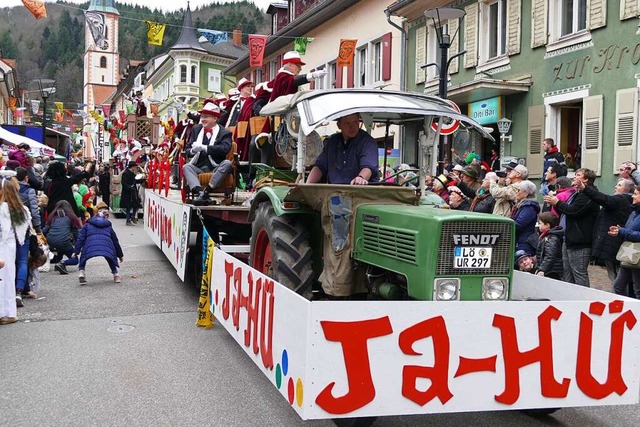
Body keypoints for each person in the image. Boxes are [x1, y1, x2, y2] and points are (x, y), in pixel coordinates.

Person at [543, 168, 600, 287]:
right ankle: (569, 298)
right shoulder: (577, 193)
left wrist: (557, 202)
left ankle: (583, 300)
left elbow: (574, 211)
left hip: (580, 240)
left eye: (578, 175)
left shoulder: (588, 194)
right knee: (567, 272)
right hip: (569, 237)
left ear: (586, 179)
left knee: (579, 273)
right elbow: (566, 211)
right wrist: (555, 203)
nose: (574, 177)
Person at [577, 177, 634, 283]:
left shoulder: (621, 199)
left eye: (619, 185)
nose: (616, 187)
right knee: (616, 276)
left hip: (612, 242)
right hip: (613, 242)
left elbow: (603, 199)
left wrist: (585, 188)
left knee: (617, 279)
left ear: (627, 189)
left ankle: (619, 298)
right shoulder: (626, 200)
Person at [306, 113, 379, 185]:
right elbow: (320, 166)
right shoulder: (332, 142)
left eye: (355, 122)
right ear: (339, 125)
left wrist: (361, 178)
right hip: (334, 192)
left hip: (361, 192)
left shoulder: (368, 142)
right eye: (347, 123)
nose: (352, 126)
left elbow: (368, 167)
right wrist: (307, 185)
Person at [183, 101, 234, 203]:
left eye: (206, 117)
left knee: (227, 164)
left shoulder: (224, 132)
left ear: (215, 119)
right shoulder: (196, 129)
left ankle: (207, 191)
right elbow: (187, 150)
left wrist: (205, 148)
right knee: (186, 167)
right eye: (201, 117)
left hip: (216, 167)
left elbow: (225, 149)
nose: (202, 120)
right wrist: (193, 150)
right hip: (199, 167)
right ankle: (201, 194)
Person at [0, 173, 31, 325]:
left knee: (2, 280)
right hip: (11, 246)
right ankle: (9, 311)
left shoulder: (2, 209)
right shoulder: (21, 209)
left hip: (2, 246)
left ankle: (5, 312)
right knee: (8, 278)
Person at [73, 201, 124, 285]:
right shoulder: (108, 225)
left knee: (84, 254)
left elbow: (80, 238)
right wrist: (120, 255)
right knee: (109, 256)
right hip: (106, 245)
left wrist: (76, 251)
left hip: (90, 245)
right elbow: (115, 241)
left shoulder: (87, 224)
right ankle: (116, 274)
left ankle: (81, 271)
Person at [45, 200, 83, 275]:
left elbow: (45, 230)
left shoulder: (52, 217)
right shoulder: (71, 217)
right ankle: (62, 263)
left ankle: (58, 262)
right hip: (63, 241)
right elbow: (76, 234)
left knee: (60, 248)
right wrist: (78, 247)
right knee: (75, 260)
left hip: (51, 240)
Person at [511, 180, 540, 254]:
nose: (516, 193)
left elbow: (519, 224)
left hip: (524, 243)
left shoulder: (528, 207)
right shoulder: (521, 206)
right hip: (519, 241)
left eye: (518, 190)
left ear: (526, 194)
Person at [535, 212, 564, 279]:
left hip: (553, 271)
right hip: (549, 269)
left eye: (540, 223)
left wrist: (542, 269)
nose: (538, 225)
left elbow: (550, 256)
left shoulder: (551, 238)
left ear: (547, 225)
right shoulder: (546, 237)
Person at [120, 161, 144, 225]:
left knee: (136, 205)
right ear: (132, 167)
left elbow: (136, 180)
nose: (136, 168)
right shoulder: (125, 173)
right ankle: (128, 219)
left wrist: (143, 180)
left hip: (133, 191)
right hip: (127, 192)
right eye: (135, 167)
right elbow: (124, 183)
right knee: (128, 206)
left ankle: (133, 217)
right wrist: (130, 187)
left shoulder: (132, 173)